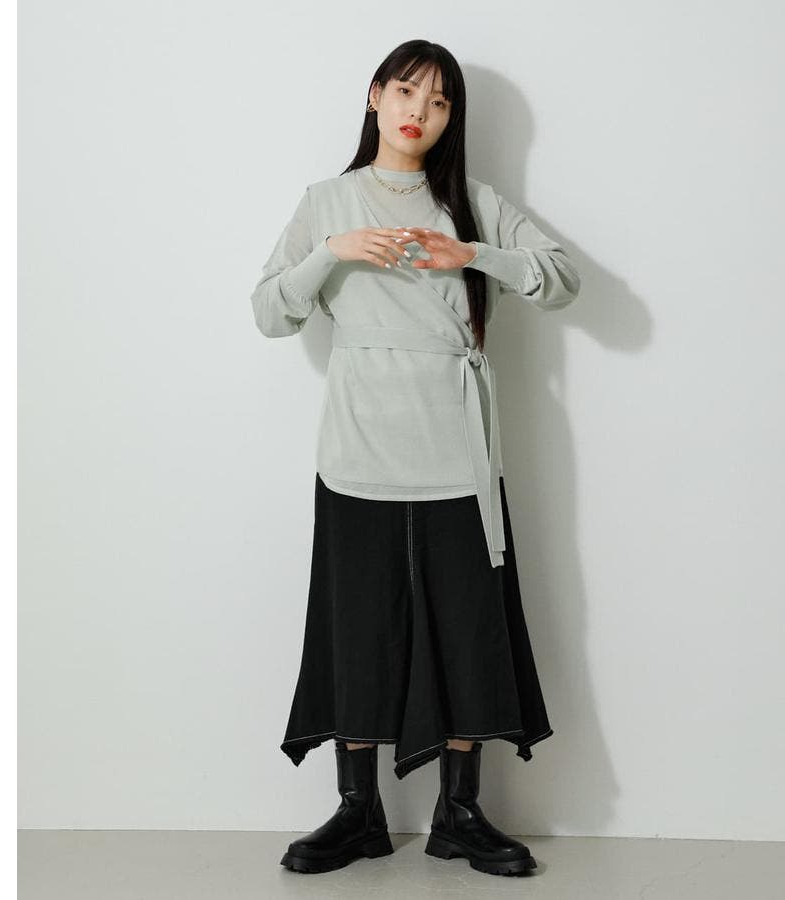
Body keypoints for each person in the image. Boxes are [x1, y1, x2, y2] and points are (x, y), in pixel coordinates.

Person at [249, 39, 582, 877]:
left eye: (438, 103)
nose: (418, 113)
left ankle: (460, 813)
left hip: (457, 453)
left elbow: (561, 279)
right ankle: (357, 810)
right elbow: (269, 312)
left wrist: (469, 254)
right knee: (357, 627)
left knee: (468, 630)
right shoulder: (327, 202)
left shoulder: (473, 203)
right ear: (375, 95)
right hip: (358, 448)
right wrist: (334, 252)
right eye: (406, 92)